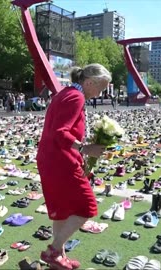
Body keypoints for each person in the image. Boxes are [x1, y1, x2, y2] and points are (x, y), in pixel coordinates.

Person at [36, 63, 111, 269]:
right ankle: (53, 252)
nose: (99, 93)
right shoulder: (76, 97)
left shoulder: (66, 93)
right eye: (100, 88)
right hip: (61, 161)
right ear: (89, 82)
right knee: (86, 207)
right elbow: (61, 132)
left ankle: (59, 257)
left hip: (51, 159)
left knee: (62, 211)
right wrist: (85, 149)